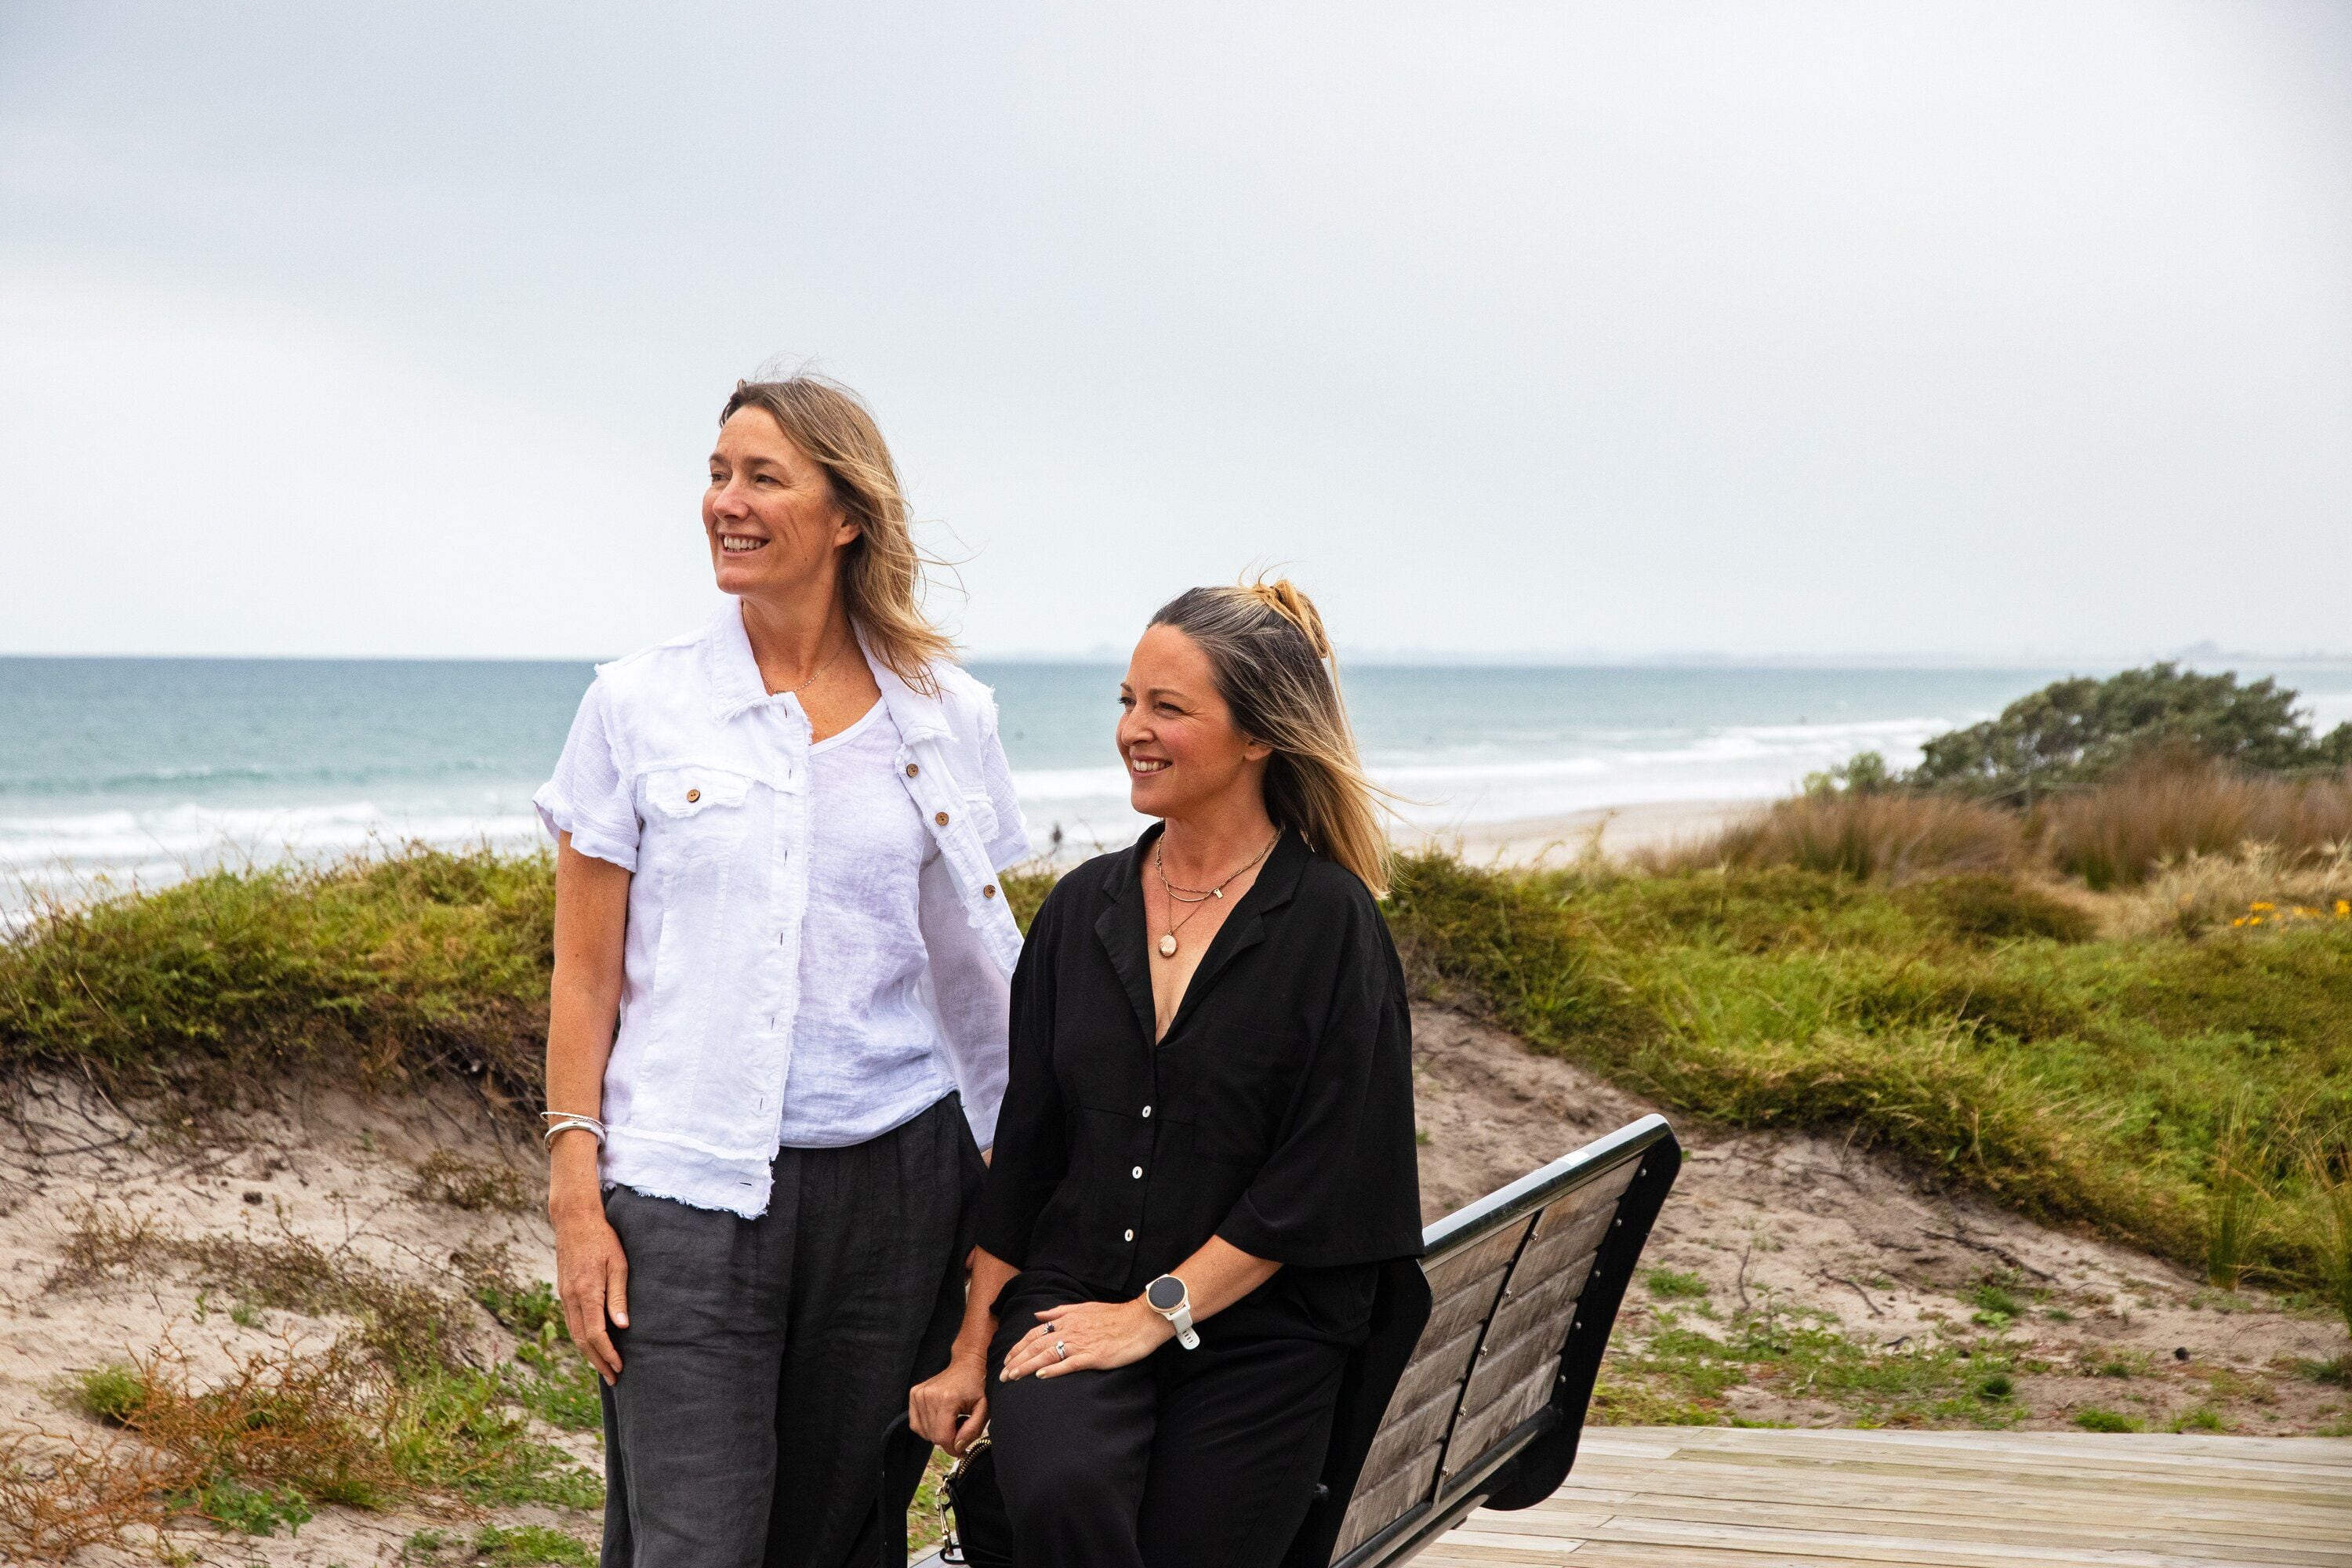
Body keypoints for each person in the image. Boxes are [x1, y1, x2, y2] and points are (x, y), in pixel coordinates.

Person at [535, 373, 1032, 1568]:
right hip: (687, 1196)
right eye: (717, 473)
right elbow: (584, 981)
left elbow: (979, 983)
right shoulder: (636, 705)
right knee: (692, 1542)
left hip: (900, 1194)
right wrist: (574, 1197)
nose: (726, 502)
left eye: (763, 476)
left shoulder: (945, 715)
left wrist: (1011, 1200)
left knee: (838, 1538)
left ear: (847, 512)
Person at [909, 580, 1424, 1568]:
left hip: (1263, 1331)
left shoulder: (1331, 926)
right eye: (1127, 700)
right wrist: (973, 1346)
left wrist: (1155, 1313)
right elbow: (1027, 1158)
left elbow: (1315, 1183)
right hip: (1071, 1304)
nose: (1133, 731)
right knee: (1058, 1492)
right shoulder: (1076, 912)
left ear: (1258, 736)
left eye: (1168, 708)